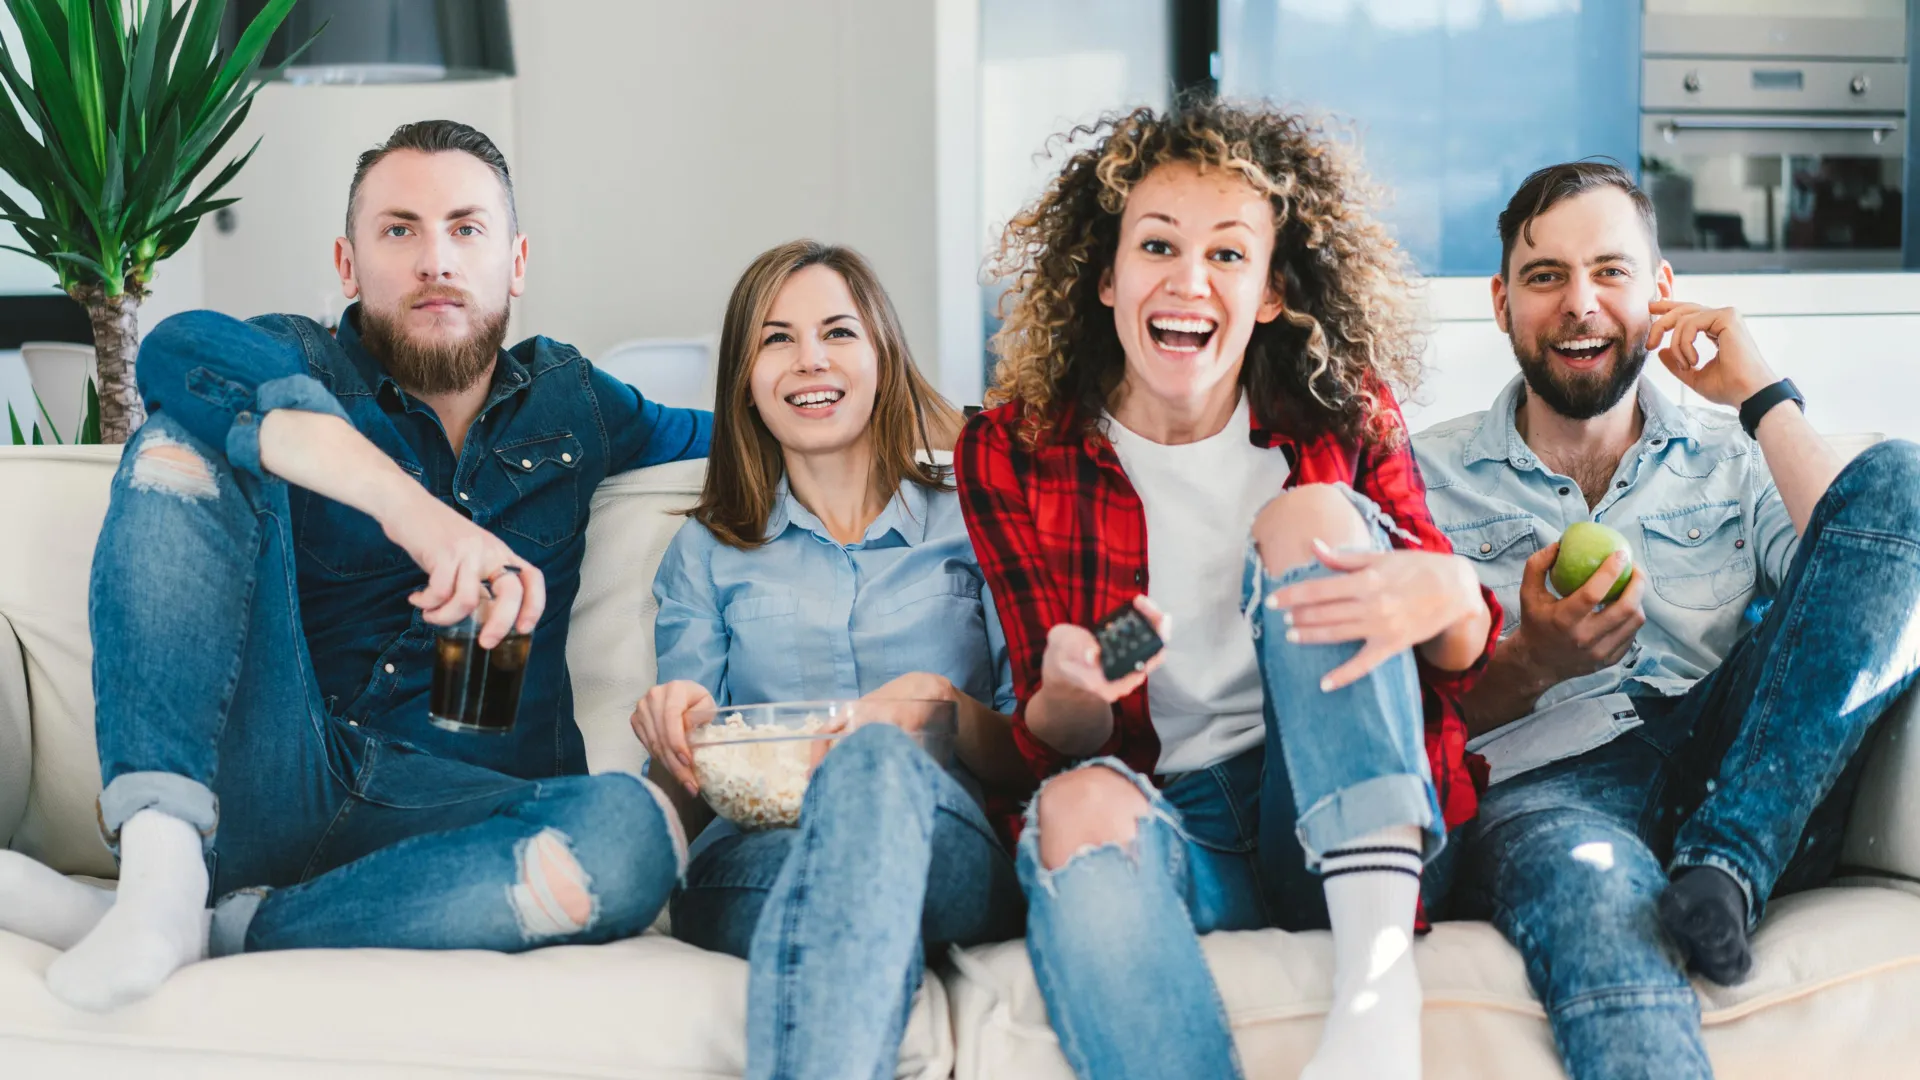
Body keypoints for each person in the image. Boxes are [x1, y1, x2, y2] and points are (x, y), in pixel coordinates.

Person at [0, 120, 711, 1011]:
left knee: (630, 833)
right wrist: (411, 511)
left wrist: (913, 429)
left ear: (516, 262)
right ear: (349, 262)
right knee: (182, 442)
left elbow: (764, 434)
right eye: (400, 229)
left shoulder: (577, 405)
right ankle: (160, 864)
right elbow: (176, 348)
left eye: (466, 228)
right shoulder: (305, 361)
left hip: (456, 817)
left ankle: (207, 927)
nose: (435, 260)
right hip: (274, 771)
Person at [954, 99, 1500, 1080]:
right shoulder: (1013, 450)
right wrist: (1071, 689)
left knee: (1312, 517)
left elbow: (1459, 655)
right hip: (1174, 825)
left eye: (1228, 254)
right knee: (1073, 805)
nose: (1189, 279)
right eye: (1157, 244)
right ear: (1107, 278)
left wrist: (1447, 585)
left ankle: (1379, 999)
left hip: (1341, 810)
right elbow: (1056, 737)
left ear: (1273, 292)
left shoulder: (1340, 416)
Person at [1412, 160, 1920, 1080]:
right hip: (1547, 794)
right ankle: (1719, 875)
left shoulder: (1735, 455)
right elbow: (1405, 727)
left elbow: (1878, 567)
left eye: (1610, 271)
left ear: (1661, 292)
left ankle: (1726, 864)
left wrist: (1763, 398)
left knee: (1901, 477)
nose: (1580, 303)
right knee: (1604, 903)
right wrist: (1532, 662)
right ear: (1500, 303)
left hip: (1739, 775)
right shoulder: (1424, 478)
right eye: (1545, 277)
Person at [630, 240, 1029, 1080]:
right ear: (745, 376)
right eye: (776, 339)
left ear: (880, 354)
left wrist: (939, 709)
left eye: (836, 332)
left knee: (879, 767)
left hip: (945, 843)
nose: (809, 359)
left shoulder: (976, 519)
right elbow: (691, 776)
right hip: (759, 853)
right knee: (834, 876)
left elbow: (1032, 749)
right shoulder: (705, 552)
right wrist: (673, 730)